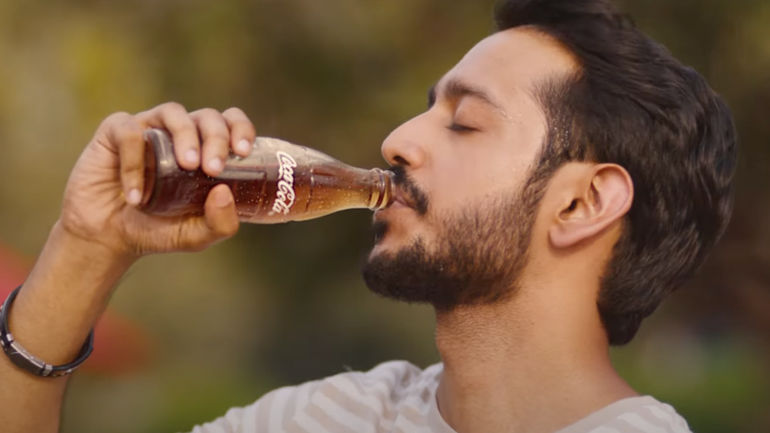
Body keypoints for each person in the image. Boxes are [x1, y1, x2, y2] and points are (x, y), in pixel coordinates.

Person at [0, 0, 736, 432]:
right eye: (426, 109)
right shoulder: (328, 416)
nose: (397, 141)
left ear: (581, 203)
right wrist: (86, 246)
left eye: (465, 123)